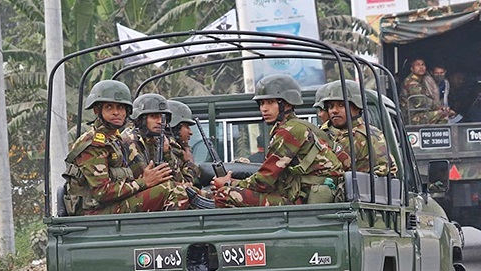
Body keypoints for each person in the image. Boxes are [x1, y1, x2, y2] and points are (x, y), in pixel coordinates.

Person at [212, 74, 344, 207]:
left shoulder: (290, 131)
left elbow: (265, 180)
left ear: (286, 104)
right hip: (301, 194)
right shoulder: (296, 126)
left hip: (303, 200)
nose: (264, 108)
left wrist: (229, 183)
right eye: (262, 103)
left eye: (270, 102)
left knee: (225, 194)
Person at [61, 80, 189, 215]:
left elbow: (121, 180)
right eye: (109, 107)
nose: (116, 112)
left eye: (121, 108)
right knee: (171, 190)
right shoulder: (94, 143)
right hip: (94, 212)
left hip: (110, 205)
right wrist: (144, 182)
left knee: (178, 187)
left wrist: (143, 179)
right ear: (97, 110)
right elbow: (102, 192)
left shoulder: (115, 140)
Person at [322, 80, 397, 177]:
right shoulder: (326, 133)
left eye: (341, 105)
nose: (334, 111)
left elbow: (328, 168)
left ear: (357, 107)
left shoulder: (363, 135)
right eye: (331, 106)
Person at [121, 93, 184, 182]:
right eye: (154, 116)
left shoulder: (157, 141)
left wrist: (167, 153)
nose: (160, 122)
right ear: (140, 119)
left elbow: (179, 180)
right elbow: (150, 181)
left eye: (163, 117)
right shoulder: (130, 140)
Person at [399, 58, 450, 125]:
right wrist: (438, 106)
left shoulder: (423, 81)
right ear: (412, 68)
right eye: (417, 65)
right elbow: (420, 101)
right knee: (443, 115)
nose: (421, 67)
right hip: (410, 117)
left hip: (420, 113)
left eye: (423, 65)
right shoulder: (411, 82)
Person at [167, 99, 203, 187]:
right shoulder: (169, 149)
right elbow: (186, 185)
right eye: (186, 127)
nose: (190, 132)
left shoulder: (177, 148)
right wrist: (190, 163)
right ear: (175, 127)